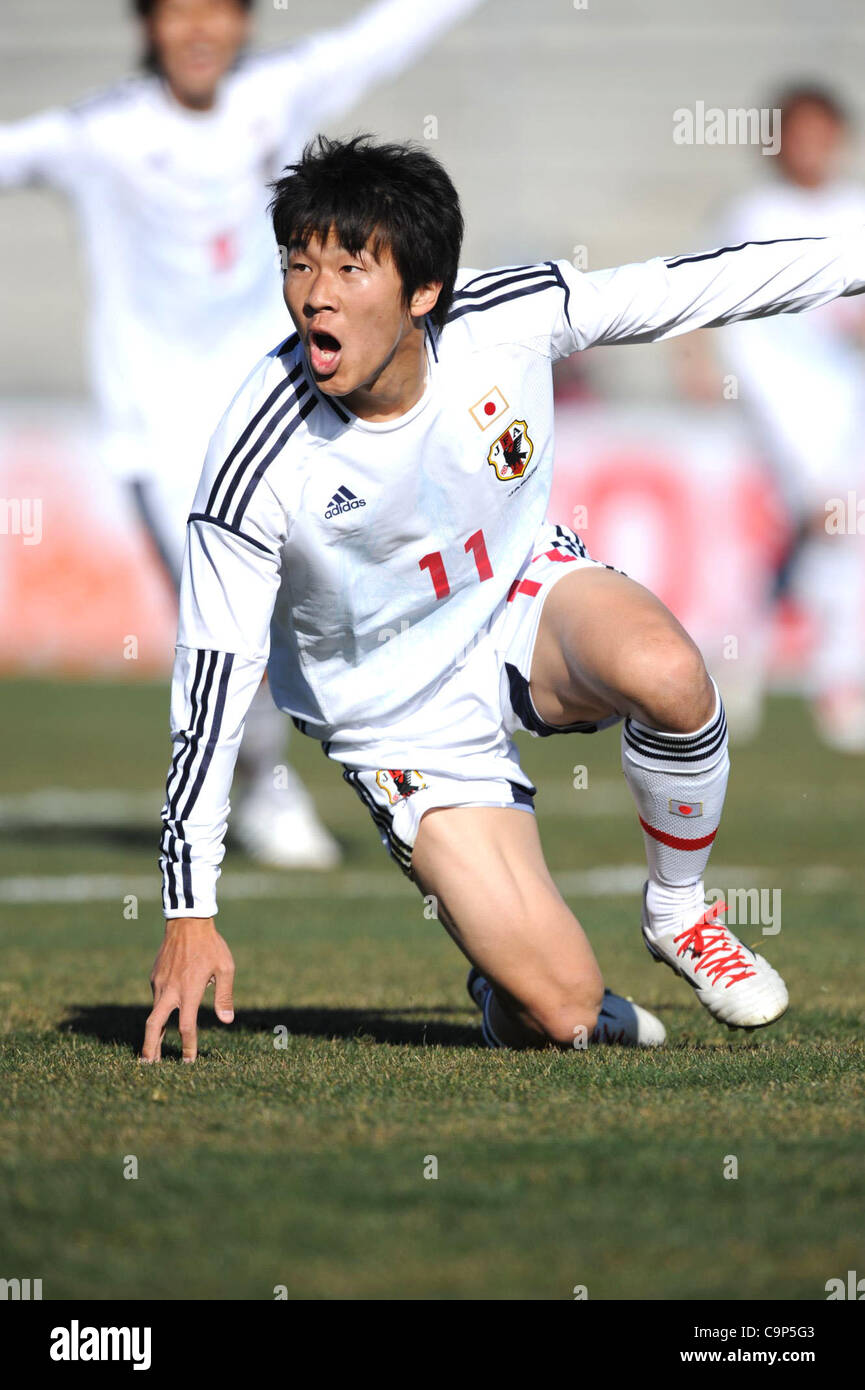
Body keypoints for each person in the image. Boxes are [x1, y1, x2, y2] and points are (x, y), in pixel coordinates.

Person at [139, 133, 865, 1064]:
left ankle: (678, 913)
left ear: (424, 292)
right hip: (396, 717)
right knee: (560, 1015)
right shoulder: (259, 455)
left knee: (670, 675)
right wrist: (188, 909)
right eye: (298, 264)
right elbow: (211, 684)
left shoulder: (511, 312)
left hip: (522, 597)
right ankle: (515, 988)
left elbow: (694, 284)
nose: (314, 294)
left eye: (350, 268)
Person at [0, 0, 483, 865]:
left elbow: (380, 37)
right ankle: (263, 788)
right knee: (225, 616)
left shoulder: (276, 96)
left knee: (333, 599)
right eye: (177, 12)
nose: (198, 31)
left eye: (217, 12)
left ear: (242, 23)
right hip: (157, 431)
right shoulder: (99, 134)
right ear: (146, 25)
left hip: (280, 404)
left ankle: (397, 766)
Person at [713, 85, 865, 749]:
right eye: (796, 133)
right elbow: (732, 316)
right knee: (833, 524)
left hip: (848, 397)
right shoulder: (752, 213)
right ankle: (837, 682)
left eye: (820, 132)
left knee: (813, 535)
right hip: (781, 401)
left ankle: (735, 658)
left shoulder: (855, 208)